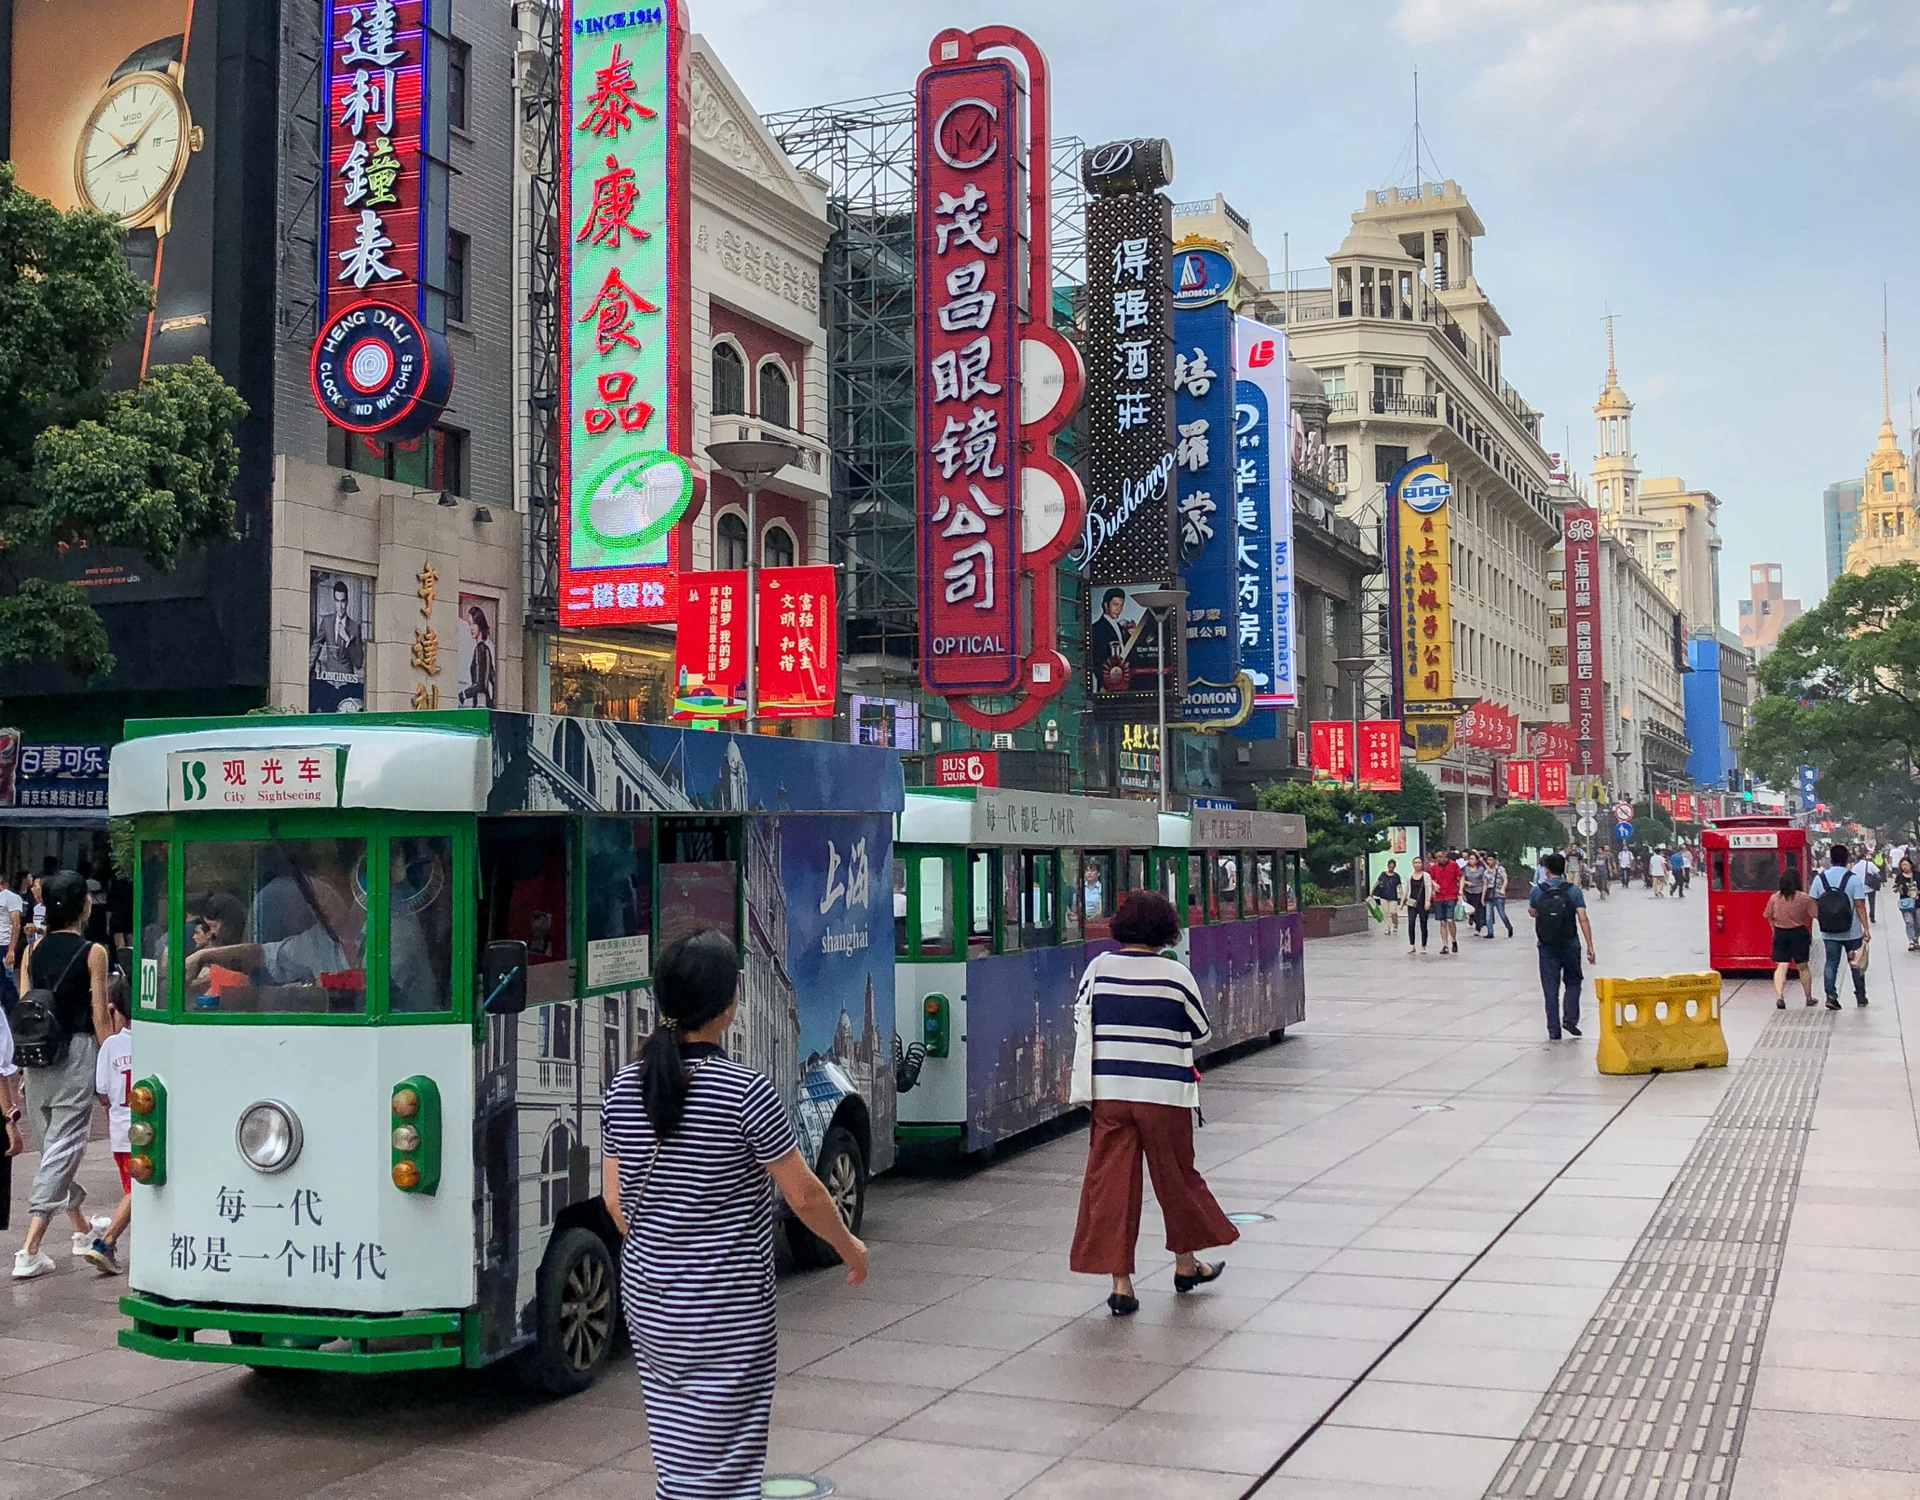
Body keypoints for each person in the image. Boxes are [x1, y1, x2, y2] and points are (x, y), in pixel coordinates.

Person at [602, 930, 868, 1498]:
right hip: (727, 1306)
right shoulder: (745, 1090)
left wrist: (667, 1244)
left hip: (650, 1300)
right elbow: (804, 1194)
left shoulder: (623, 1086)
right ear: (728, 1006)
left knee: (677, 1453)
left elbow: (615, 1203)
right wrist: (849, 1245)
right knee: (727, 1462)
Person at [1071, 890, 1237, 1315]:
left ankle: (1121, 1285)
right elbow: (1201, 1032)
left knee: (1109, 1184)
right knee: (1176, 1177)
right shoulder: (1175, 974)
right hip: (1163, 1095)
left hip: (1109, 1094)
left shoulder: (1098, 968)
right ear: (1166, 929)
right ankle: (1185, 1264)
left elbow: (1080, 1017)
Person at [11, 871, 112, 1280]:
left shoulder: (31, 952)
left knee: (55, 1147)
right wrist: (112, 1070)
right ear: (83, 905)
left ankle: (82, 1231)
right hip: (77, 1054)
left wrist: (21, 1067)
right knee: (64, 1149)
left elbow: (24, 1010)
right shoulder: (94, 952)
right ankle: (29, 1248)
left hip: (37, 1059)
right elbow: (100, 1017)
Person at [83, 978, 133, 1274]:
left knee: (134, 1187)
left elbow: (101, 1090)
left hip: (119, 1132)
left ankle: (109, 1242)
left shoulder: (111, 1046)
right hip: (145, 1130)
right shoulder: (156, 1041)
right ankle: (106, 1241)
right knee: (138, 1189)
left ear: (114, 1011)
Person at [1530, 852, 1596, 1042]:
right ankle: (1570, 1019)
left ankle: (1553, 1029)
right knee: (1573, 982)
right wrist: (1590, 946)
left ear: (1546, 870)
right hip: (1570, 944)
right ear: (1564, 869)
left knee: (1550, 988)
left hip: (1546, 946)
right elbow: (1582, 918)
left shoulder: (1538, 890)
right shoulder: (1573, 891)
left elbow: (1532, 911)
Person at [1812, 844, 1871, 1010]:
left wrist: (1822, 918)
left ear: (1830, 859)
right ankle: (1860, 996)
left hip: (1829, 932)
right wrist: (1866, 928)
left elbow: (1813, 901)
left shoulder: (1820, 878)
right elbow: (1859, 905)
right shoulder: (1853, 879)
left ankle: (1831, 996)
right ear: (1847, 860)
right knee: (1856, 963)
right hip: (1852, 931)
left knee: (1831, 963)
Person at [1764, 871, 1818, 1009]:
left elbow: (1769, 917)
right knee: (1803, 967)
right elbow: (1815, 914)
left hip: (1781, 933)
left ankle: (1779, 996)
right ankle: (1808, 997)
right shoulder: (1804, 898)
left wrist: (1775, 931)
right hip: (1799, 933)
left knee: (1781, 966)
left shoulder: (1774, 898)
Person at [458, 604, 497, 708]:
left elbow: (481, 684)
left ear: (480, 625)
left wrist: (464, 694)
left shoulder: (480, 650)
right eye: (470, 624)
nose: (471, 628)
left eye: (474, 624)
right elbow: (492, 679)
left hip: (481, 703)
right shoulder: (486, 650)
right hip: (485, 703)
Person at [1429, 848, 1462, 954]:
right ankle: (1445, 944)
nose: (1439, 859)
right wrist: (1434, 884)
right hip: (1439, 897)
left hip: (1451, 895)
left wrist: (1460, 889)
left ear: (1445, 856)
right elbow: (1430, 879)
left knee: (1449, 919)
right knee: (1442, 921)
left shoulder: (1453, 865)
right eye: (1437, 857)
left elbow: (1460, 877)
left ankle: (1454, 940)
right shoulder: (1434, 868)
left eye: (1441, 857)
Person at [0, 870, 23, 1015]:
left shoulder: (10, 897)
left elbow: (16, 924)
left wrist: (11, 949)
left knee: (4, 981)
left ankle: (15, 1012)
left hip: (4, 943)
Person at [1405, 857, 1431, 954]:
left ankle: (1423, 945)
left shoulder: (1426, 876)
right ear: (1412, 864)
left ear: (1422, 864)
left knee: (1423, 924)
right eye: (1415, 863)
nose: (1417, 865)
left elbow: (1429, 888)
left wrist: (1427, 901)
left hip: (1422, 903)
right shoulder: (1409, 876)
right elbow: (1407, 889)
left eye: (1419, 863)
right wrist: (1403, 901)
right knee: (1411, 923)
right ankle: (1412, 945)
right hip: (1412, 903)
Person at [1462, 853, 1490, 939]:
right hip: (1468, 891)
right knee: (1470, 910)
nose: (1471, 861)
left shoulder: (1481, 870)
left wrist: (1483, 895)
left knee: (1478, 910)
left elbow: (1485, 881)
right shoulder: (1466, 869)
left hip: (1478, 891)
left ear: (1477, 860)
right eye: (1470, 859)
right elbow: (1461, 879)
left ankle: (1478, 927)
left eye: (1473, 859)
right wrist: (1466, 883)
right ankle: (1472, 919)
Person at [1372, 860, 1403, 937]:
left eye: (1392, 866)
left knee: (1393, 911)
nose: (1391, 868)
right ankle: (1387, 927)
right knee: (1385, 912)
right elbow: (1377, 883)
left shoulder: (1396, 876)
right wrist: (1371, 892)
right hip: (1383, 896)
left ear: (1394, 867)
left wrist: (1402, 897)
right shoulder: (1383, 874)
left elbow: (1400, 887)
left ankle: (1395, 923)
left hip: (1393, 897)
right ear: (1387, 866)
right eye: (1390, 866)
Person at [1894, 856, 1919, 952]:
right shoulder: (1900, 877)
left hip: (1918, 902)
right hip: (1906, 903)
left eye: (1906, 864)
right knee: (1910, 922)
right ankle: (1912, 941)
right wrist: (1897, 888)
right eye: (1903, 865)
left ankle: (1917, 939)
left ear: (1911, 865)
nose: (1904, 867)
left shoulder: (1917, 875)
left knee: (1918, 922)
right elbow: (1896, 889)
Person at [1486, 858, 1515, 937]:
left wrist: (1503, 889)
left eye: (1491, 860)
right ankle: (1490, 932)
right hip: (1489, 895)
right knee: (1488, 915)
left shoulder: (1500, 869)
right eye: (1488, 860)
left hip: (1499, 894)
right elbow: (1485, 884)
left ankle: (1509, 927)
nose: (1489, 862)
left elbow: (1505, 879)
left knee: (1502, 914)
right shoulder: (1486, 871)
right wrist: (1483, 896)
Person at [1852, 849, 1881, 924]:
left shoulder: (1855, 866)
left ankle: (1861, 916)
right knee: (1872, 902)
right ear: (1864, 857)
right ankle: (1872, 917)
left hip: (1860, 888)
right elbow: (1877, 872)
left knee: (1861, 904)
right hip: (1870, 886)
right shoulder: (1870, 864)